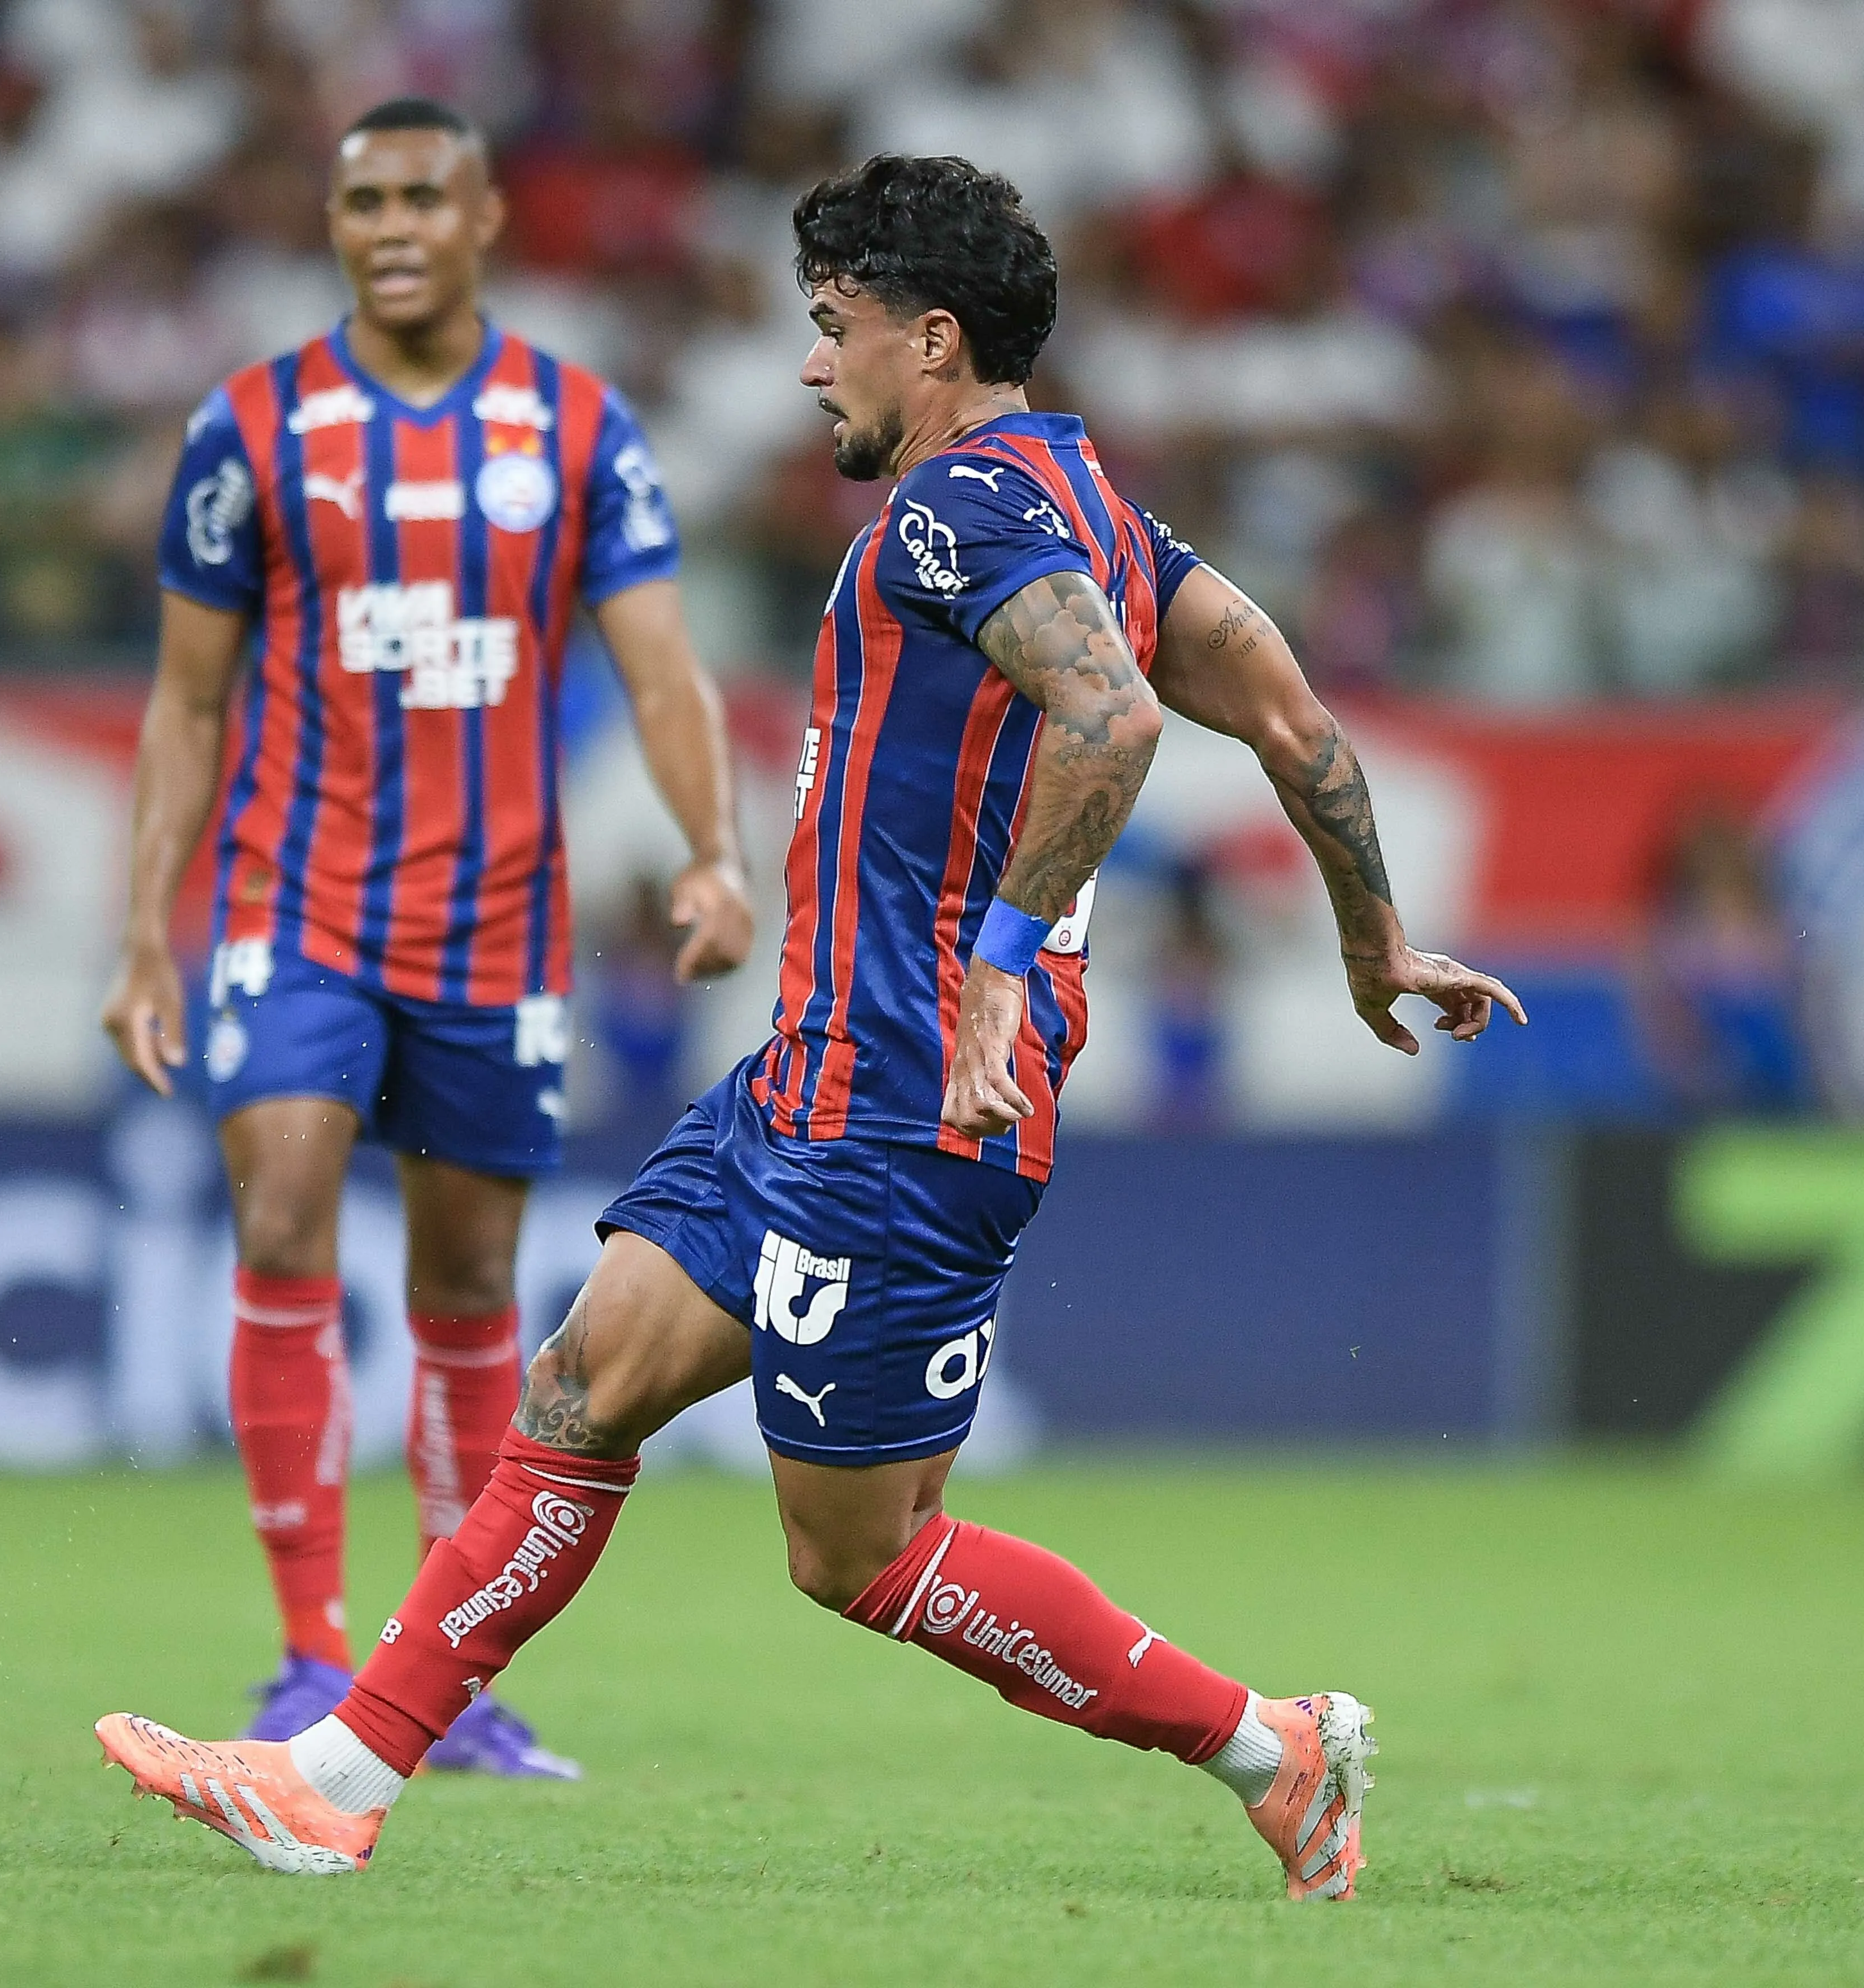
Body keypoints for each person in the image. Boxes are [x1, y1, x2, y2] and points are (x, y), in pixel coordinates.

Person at [96, 154, 1525, 1897]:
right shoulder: (1101, 508)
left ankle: (1273, 1750)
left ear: (931, 344)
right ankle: (336, 1780)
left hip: (918, 1097)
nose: (809, 365)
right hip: (813, 1077)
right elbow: (1296, 726)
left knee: (860, 1556)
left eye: (834, 330)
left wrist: (1003, 954)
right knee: (580, 1381)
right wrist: (1378, 942)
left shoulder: (958, 513)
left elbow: (1116, 718)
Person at [99, 98, 751, 1778]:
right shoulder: (251, 428)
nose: (389, 224)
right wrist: (141, 934)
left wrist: (714, 852)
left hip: (496, 929)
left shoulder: (577, 428)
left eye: (421, 197)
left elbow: (665, 668)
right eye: (362, 200)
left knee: (468, 1284)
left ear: (483, 221)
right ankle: (306, 1659)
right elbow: (184, 702)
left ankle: (437, 1684)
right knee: (288, 1199)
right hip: (294, 904)